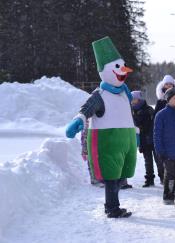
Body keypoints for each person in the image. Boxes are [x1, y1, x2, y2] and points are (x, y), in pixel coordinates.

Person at [65, 37, 136, 218]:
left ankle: (112, 205)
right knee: (111, 178)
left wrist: (135, 134)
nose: (123, 71)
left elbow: (127, 117)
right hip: (107, 141)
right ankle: (112, 208)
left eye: (123, 66)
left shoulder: (123, 93)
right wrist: (78, 120)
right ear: (106, 71)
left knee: (120, 176)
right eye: (117, 67)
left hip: (124, 140)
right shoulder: (100, 94)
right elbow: (87, 109)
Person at [131, 90, 163, 187]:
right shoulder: (133, 111)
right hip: (144, 139)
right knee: (147, 161)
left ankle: (163, 177)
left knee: (158, 160)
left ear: (139, 99)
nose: (132, 101)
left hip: (153, 139)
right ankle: (149, 179)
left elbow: (153, 124)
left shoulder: (148, 109)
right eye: (132, 100)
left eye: (134, 99)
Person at [81, 119, 104, 187]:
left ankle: (100, 178)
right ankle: (94, 179)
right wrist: (84, 151)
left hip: (97, 147)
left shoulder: (97, 125)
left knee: (99, 163)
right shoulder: (86, 127)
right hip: (89, 148)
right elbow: (84, 139)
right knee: (91, 163)